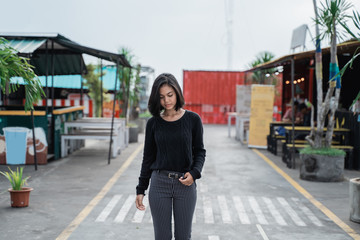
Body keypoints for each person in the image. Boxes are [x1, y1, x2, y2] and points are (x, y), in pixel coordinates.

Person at [135, 73, 206, 240]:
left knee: (183, 237)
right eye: (161, 97)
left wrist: (194, 173)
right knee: (162, 237)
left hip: (185, 185)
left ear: (177, 93)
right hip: (159, 184)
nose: (166, 101)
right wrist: (141, 190)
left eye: (170, 95)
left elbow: (200, 151)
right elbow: (148, 158)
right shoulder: (153, 123)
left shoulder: (193, 119)